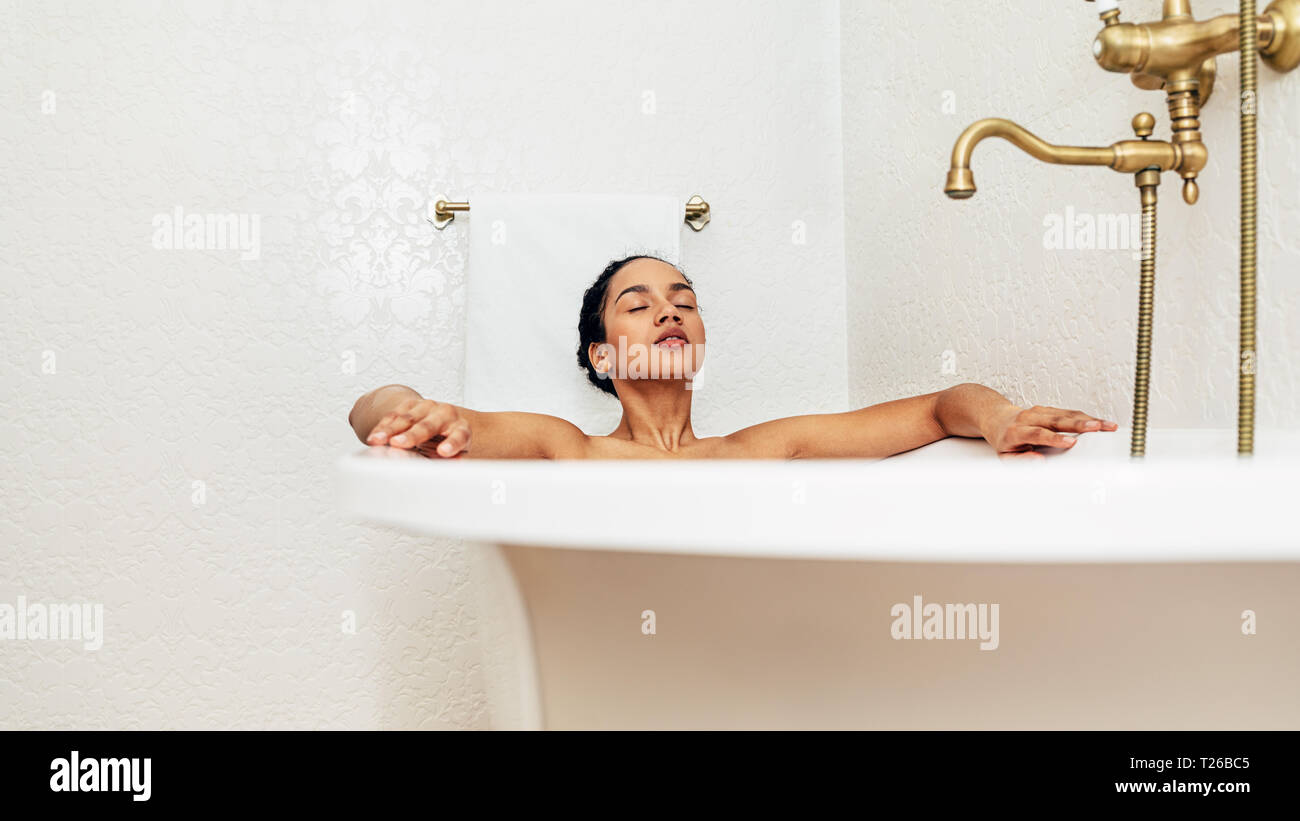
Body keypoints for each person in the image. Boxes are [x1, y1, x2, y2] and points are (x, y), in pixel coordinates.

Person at [348, 255, 1117, 460]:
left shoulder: (763, 448)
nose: (670, 309)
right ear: (602, 353)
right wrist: (407, 410)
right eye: (638, 303)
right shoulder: (568, 449)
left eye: (683, 298)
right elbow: (372, 408)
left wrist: (1002, 417)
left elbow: (938, 407)